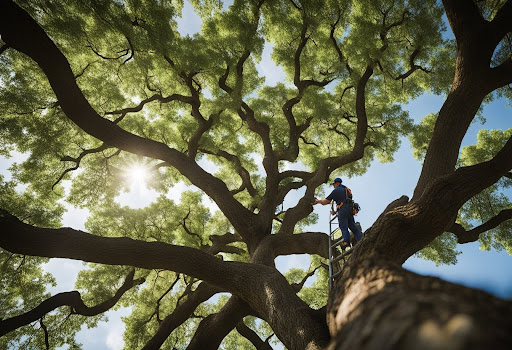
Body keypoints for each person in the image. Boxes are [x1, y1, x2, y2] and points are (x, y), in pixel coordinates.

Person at [313, 177, 363, 248]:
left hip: (343, 210)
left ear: (337, 183)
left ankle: (346, 242)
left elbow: (326, 201)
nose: (333, 186)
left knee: (343, 226)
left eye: (334, 184)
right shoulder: (346, 190)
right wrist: (335, 211)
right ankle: (361, 238)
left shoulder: (337, 190)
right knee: (352, 226)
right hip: (350, 210)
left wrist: (317, 201)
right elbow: (344, 203)